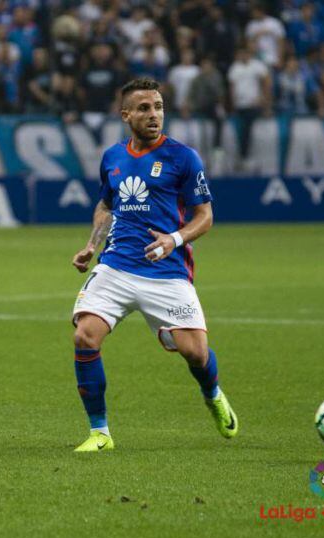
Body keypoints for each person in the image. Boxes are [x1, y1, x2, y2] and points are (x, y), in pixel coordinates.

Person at [69, 78, 238, 452]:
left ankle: (212, 393)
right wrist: (91, 245)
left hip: (166, 271)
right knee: (85, 336)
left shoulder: (183, 158)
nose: (154, 115)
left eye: (158, 107)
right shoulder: (112, 157)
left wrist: (174, 239)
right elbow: (107, 205)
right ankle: (100, 433)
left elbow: (205, 216)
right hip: (115, 266)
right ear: (125, 114)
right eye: (144, 108)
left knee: (195, 352)